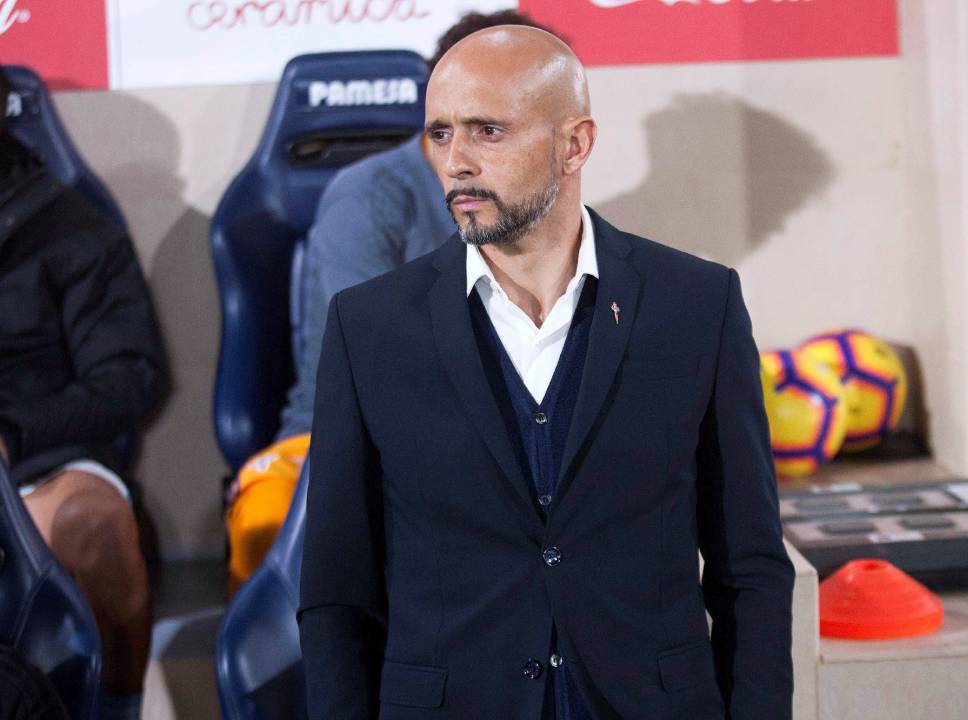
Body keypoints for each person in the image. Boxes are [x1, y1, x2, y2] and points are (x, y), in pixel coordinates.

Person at [299, 25, 794, 720]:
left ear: (575, 144)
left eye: (487, 131)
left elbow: (750, 572)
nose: (456, 162)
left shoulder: (696, 305)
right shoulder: (370, 327)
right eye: (440, 134)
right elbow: (335, 595)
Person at [225, 10, 556, 594]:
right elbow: (370, 361)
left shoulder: (542, 203)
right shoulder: (369, 194)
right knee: (271, 526)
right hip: (340, 434)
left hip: (502, 437)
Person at [0, 68, 167, 720]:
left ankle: (114, 710)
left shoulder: (69, 225)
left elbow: (128, 377)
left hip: (41, 460)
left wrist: (14, 437)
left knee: (92, 529)